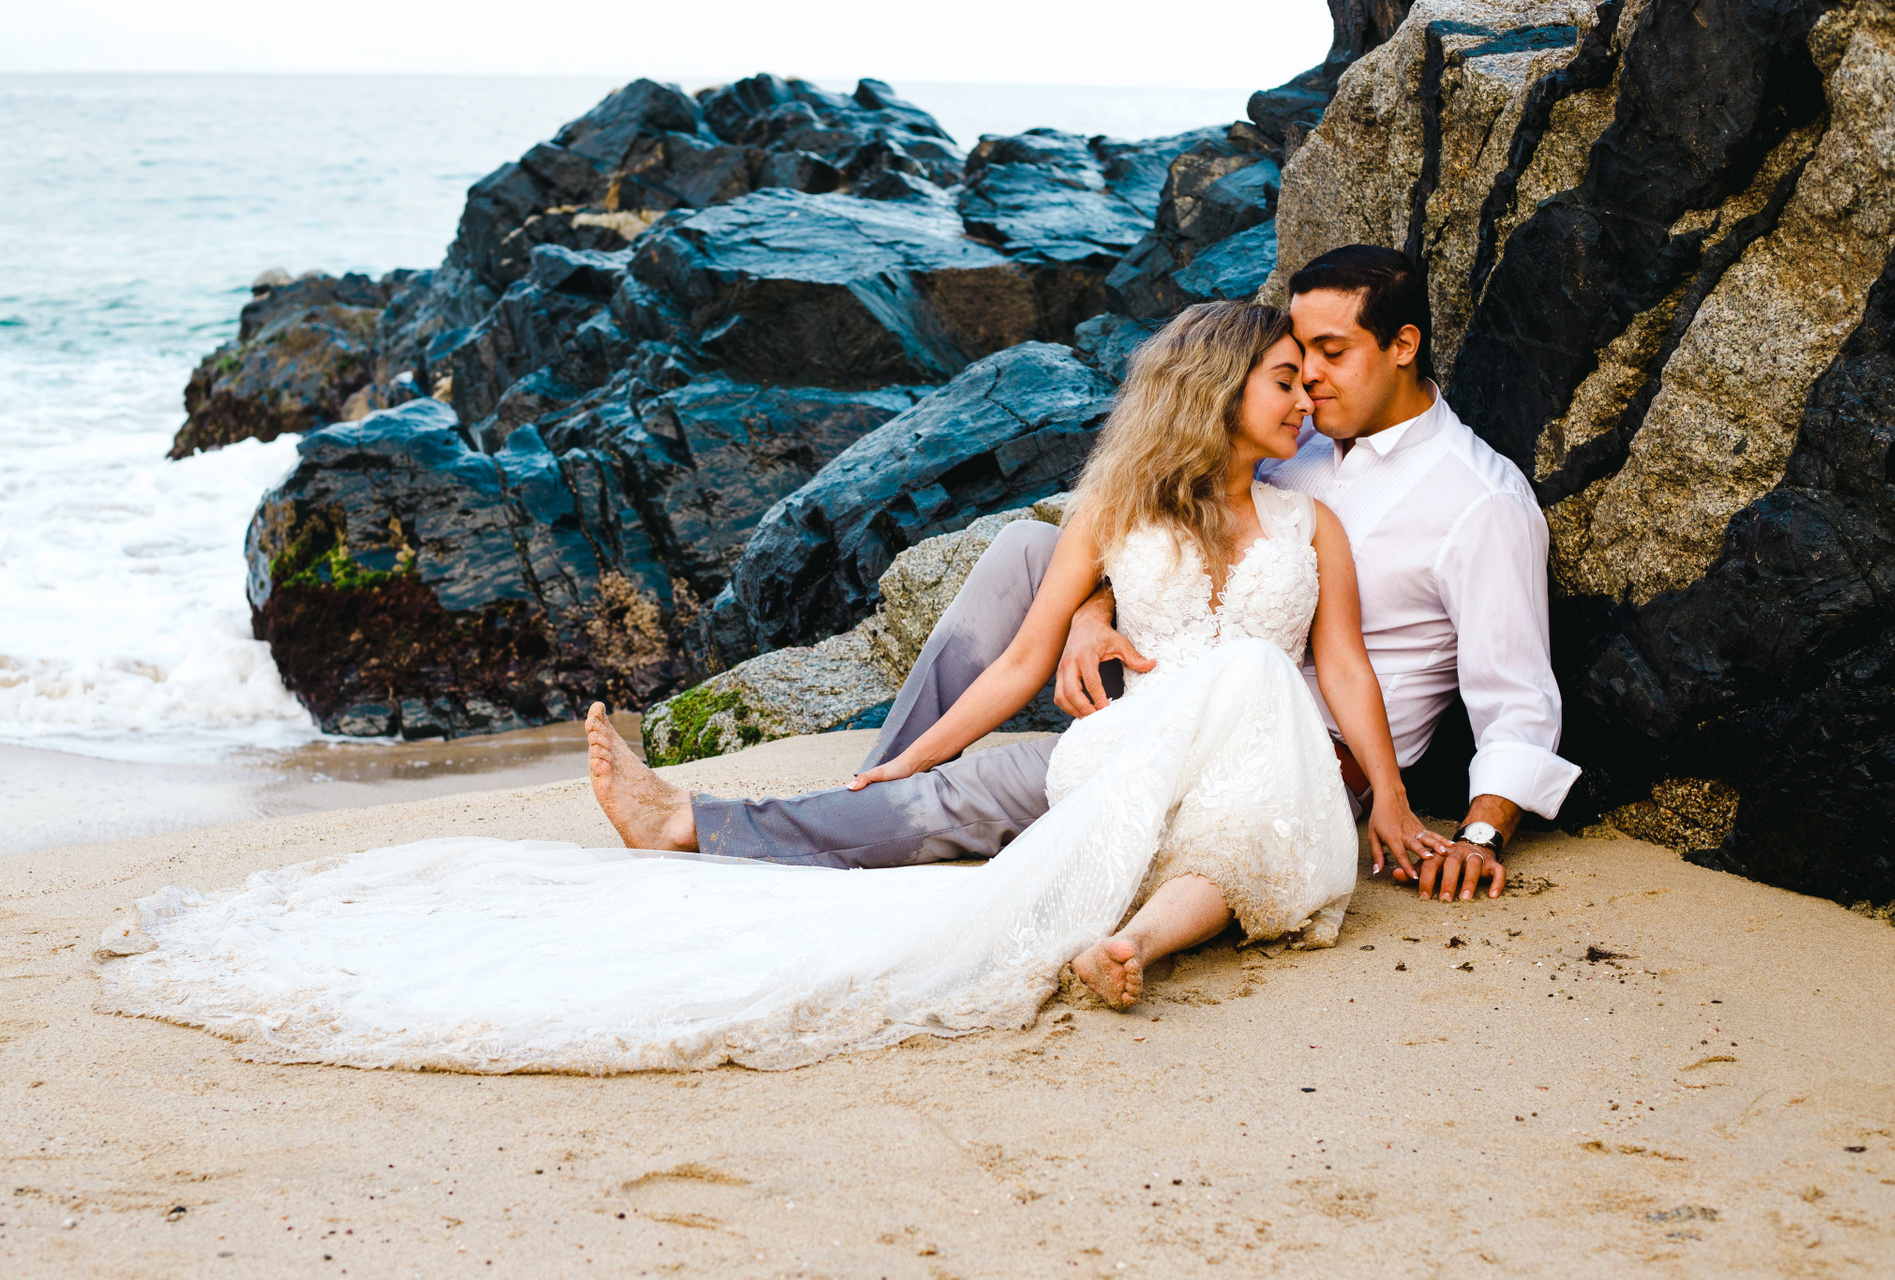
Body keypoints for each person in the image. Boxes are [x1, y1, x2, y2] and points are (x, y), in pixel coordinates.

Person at [98, 301, 1414, 1072]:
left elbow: (1342, 665)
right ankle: (694, 822)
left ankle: (1133, 941)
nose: (1304, 400)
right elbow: (1024, 660)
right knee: (944, 799)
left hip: (1250, 763)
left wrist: (1397, 802)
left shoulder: (1314, 527)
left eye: (1308, 382)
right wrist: (913, 750)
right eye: (1283, 381)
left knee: (1235, 755)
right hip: (1123, 753)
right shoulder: (1119, 512)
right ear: (1213, 391)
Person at [588, 244, 1581, 905]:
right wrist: (1089, 612)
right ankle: (884, 773)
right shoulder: (1301, 438)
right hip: (1174, 693)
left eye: (1329, 354)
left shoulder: (1478, 502)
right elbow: (1183, 532)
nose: (1309, 379)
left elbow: (1515, 704)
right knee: (1026, 552)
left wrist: (1479, 833)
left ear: (1403, 346)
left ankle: (764, 819)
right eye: (1295, 362)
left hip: (1304, 749)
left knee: (994, 782)